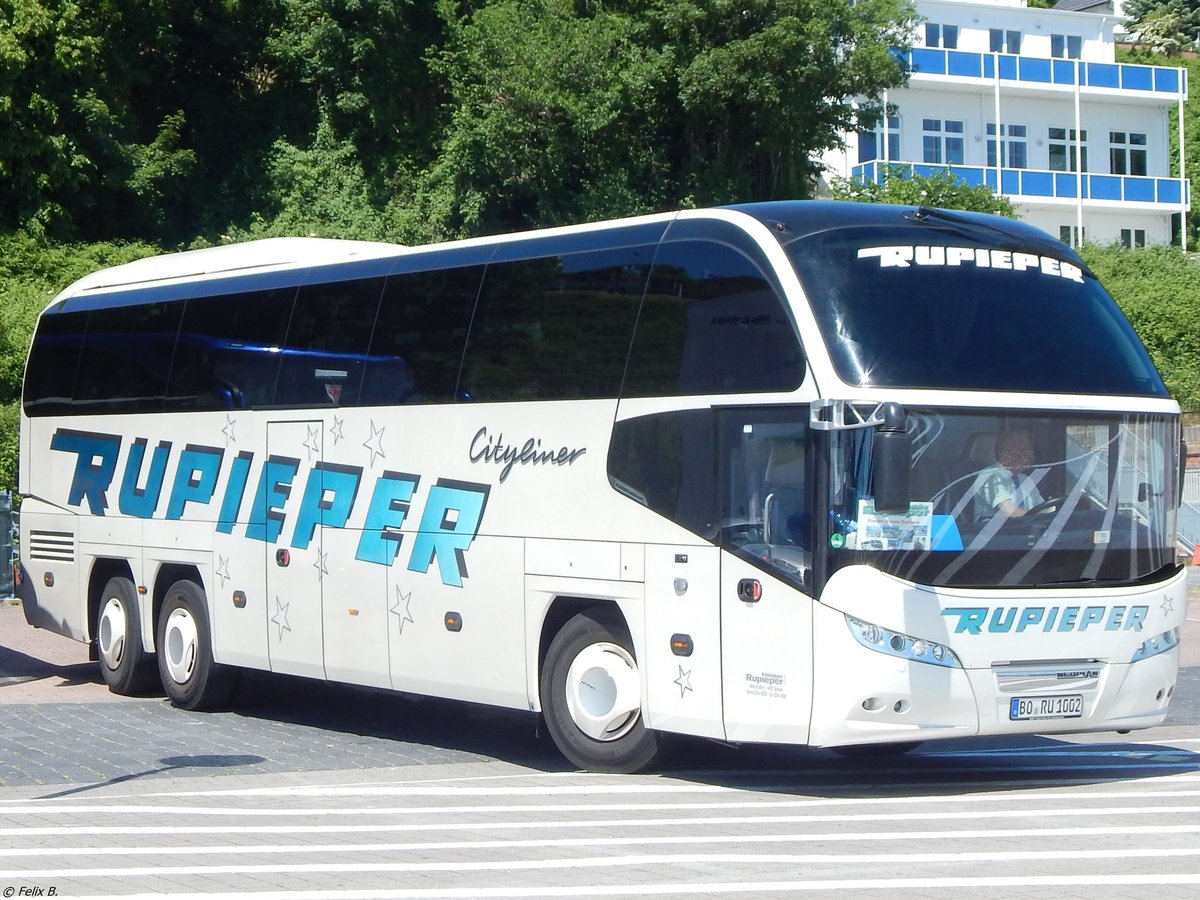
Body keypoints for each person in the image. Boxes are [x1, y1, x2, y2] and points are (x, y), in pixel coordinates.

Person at [976, 430, 1044, 519]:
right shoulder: (990, 477)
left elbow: (1043, 508)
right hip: (996, 532)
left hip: (1028, 531)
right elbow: (1011, 513)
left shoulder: (1025, 479)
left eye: (1029, 450)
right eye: (1021, 450)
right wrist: (1039, 517)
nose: (1028, 455)